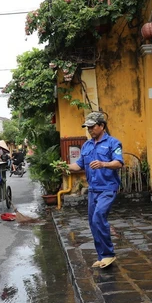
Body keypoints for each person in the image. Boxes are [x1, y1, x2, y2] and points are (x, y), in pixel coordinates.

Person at [66, 112, 124, 268]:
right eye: (88, 127)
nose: (89, 130)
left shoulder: (113, 143)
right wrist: (64, 167)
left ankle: (108, 254)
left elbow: (119, 163)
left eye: (92, 127)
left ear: (102, 126)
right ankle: (102, 256)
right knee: (93, 222)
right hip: (93, 190)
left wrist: (103, 164)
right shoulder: (87, 145)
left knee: (99, 216)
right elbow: (78, 165)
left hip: (108, 187)